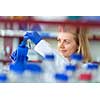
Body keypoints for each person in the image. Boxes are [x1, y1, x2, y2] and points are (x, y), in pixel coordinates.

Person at [11, 25, 92, 72]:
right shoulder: (54, 63)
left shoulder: (86, 67)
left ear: (79, 45)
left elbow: (67, 67)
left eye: (66, 42)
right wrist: (21, 64)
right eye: (59, 41)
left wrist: (40, 43)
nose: (61, 46)